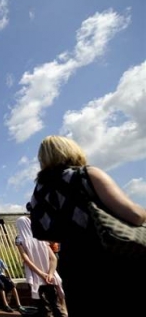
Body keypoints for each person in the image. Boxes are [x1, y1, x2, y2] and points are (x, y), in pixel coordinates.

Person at [29, 135, 146, 316]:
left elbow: (45, 233)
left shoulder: (39, 191)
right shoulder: (85, 174)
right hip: (111, 256)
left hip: (74, 265)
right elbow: (135, 215)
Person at [15, 216, 67, 317]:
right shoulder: (40, 237)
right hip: (49, 274)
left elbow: (26, 259)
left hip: (35, 275)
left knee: (43, 305)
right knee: (54, 302)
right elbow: (53, 258)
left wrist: (41, 274)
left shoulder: (19, 239)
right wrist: (50, 274)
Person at [0, 248, 26, 313]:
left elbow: (6, 269)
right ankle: (6, 305)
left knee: (12, 285)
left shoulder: (0, 260)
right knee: (1, 286)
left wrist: (9, 278)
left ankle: (18, 304)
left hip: (2, 275)